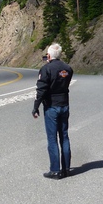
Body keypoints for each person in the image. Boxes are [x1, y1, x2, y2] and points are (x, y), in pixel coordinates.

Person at [32, 43, 73, 180]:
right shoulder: (68, 69)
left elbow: (41, 89)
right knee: (64, 136)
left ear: (49, 55)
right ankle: (66, 168)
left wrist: (36, 106)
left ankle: (55, 170)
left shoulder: (46, 69)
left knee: (52, 138)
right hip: (64, 105)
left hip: (51, 106)